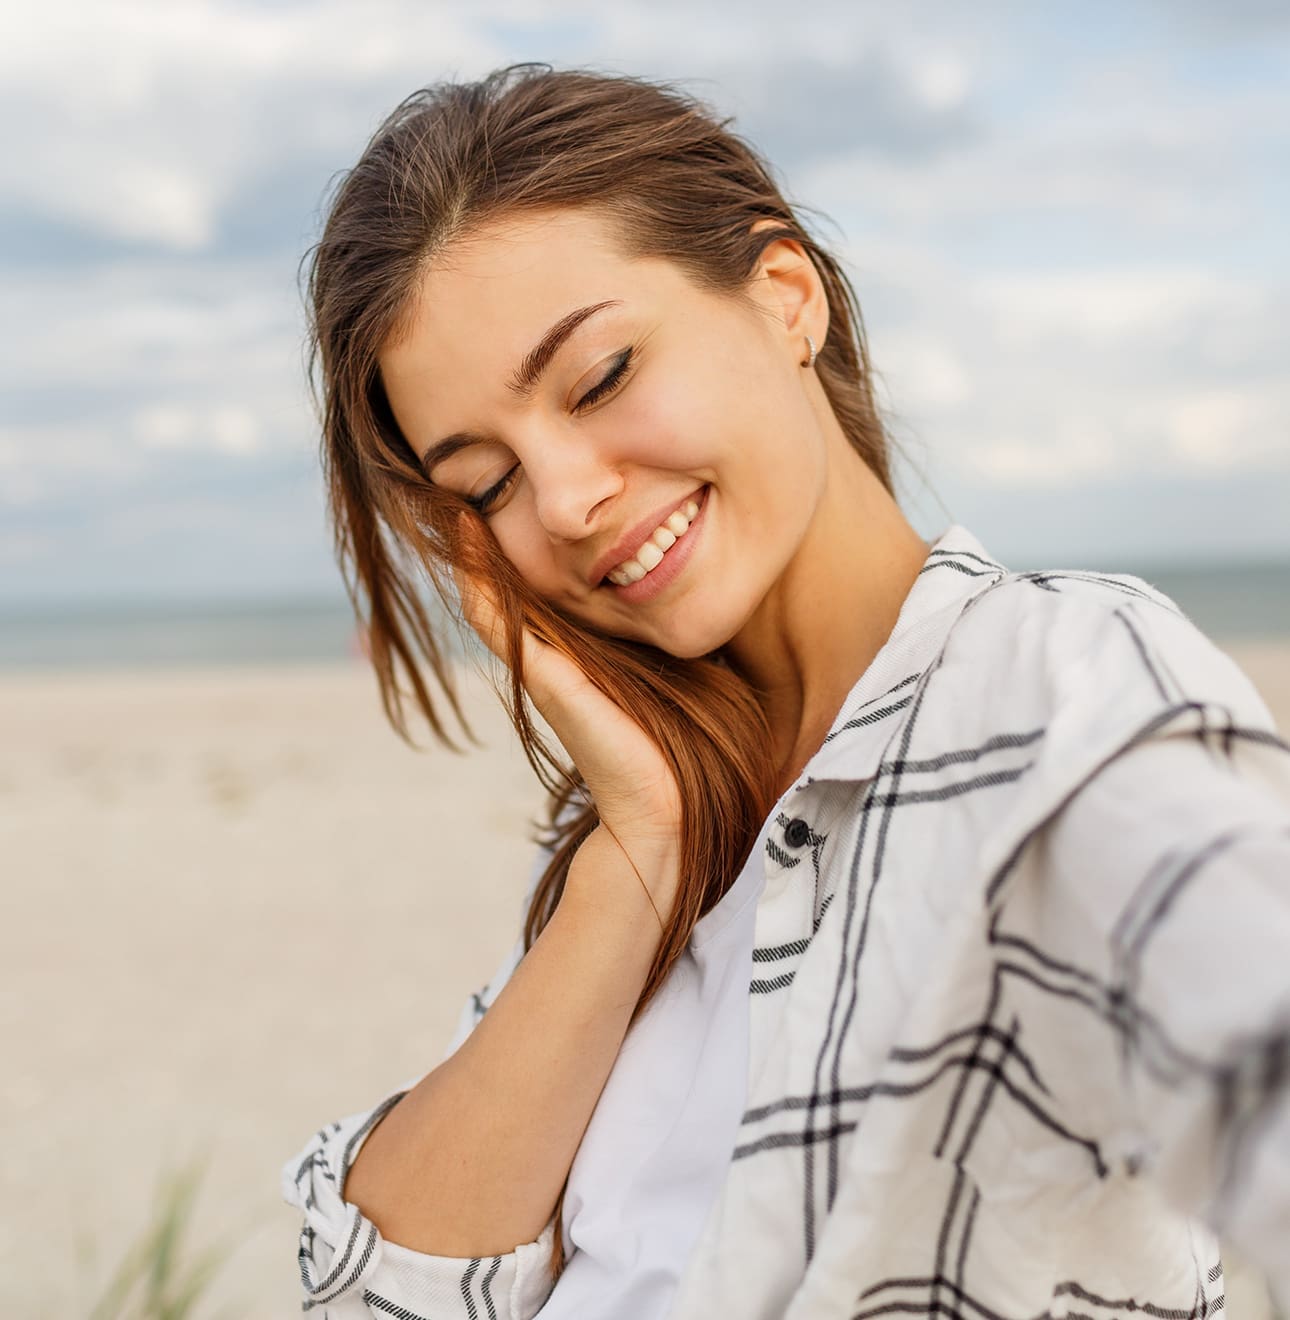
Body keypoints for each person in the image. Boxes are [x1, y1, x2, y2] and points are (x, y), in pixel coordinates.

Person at [280, 63, 1290, 1320]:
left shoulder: (1061, 690)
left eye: (597, 379)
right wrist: (639, 851)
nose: (564, 499)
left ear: (784, 296)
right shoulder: (648, 837)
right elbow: (380, 1294)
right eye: (484, 482)